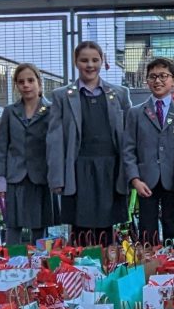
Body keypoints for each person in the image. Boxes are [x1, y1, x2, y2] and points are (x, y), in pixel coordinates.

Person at [46, 41, 131, 246]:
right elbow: (55, 139)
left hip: (110, 170)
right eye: (84, 60)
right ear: (76, 62)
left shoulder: (119, 94)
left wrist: (130, 173)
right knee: (80, 228)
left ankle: (108, 269)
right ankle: (80, 272)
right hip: (77, 169)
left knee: (107, 229)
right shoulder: (61, 96)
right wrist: (57, 178)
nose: (90, 65)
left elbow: (129, 137)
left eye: (95, 60)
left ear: (102, 61)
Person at [123, 57, 174, 245]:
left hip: (172, 181)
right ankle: (148, 267)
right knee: (147, 231)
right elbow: (128, 150)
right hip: (146, 181)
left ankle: (173, 267)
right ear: (146, 81)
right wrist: (135, 180)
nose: (158, 81)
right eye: (152, 77)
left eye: (163, 76)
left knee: (172, 227)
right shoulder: (135, 113)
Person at [0, 63, 57, 245]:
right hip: (15, 177)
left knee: (39, 226)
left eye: (30, 80)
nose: (26, 85)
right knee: (13, 226)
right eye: (21, 82)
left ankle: (40, 266)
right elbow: (1, 146)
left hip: (41, 178)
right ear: (16, 85)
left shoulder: (52, 111)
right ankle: (12, 267)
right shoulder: (9, 112)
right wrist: (1, 180)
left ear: (39, 82)